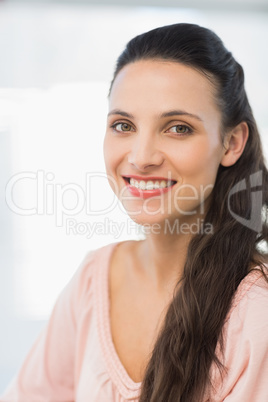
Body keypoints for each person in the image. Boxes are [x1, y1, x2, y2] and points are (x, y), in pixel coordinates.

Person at [1, 22, 268, 402]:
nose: (141, 158)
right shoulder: (95, 278)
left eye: (177, 128)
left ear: (231, 142)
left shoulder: (256, 311)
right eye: (123, 125)